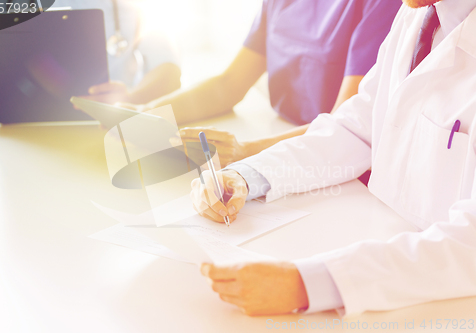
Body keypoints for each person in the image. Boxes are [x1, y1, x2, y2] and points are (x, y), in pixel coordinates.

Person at [191, 0, 476, 317]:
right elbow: (357, 127)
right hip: (380, 256)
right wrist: (248, 176)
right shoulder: (417, 15)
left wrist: (310, 284)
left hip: (444, 304)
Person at [128, 0, 402, 167]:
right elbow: (230, 84)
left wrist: (244, 152)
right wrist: (148, 112)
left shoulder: (383, 4)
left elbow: (344, 125)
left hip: (332, 158)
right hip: (281, 134)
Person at [0, 0, 181, 126]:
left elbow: (168, 70)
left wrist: (131, 99)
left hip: (109, 132)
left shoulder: (133, 7)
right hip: (20, 137)